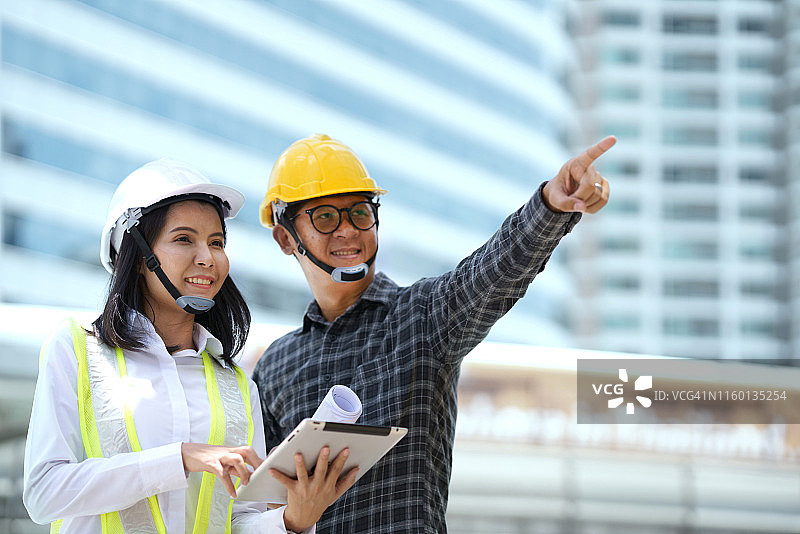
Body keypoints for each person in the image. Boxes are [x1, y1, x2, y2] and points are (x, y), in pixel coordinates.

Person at [252, 133, 615, 533]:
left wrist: (549, 206)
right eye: (325, 216)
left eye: (359, 212)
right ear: (286, 237)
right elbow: (260, 505)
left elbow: (494, 272)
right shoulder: (274, 365)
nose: (348, 230)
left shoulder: (422, 316)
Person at [23, 159, 357, 534]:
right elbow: (43, 493)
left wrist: (294, 519)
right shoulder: (76, 349)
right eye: (184, 239)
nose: (208, 257)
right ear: (135, 257)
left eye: (217, 242)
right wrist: (179, 458)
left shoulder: (236, 384)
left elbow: (238, 519)